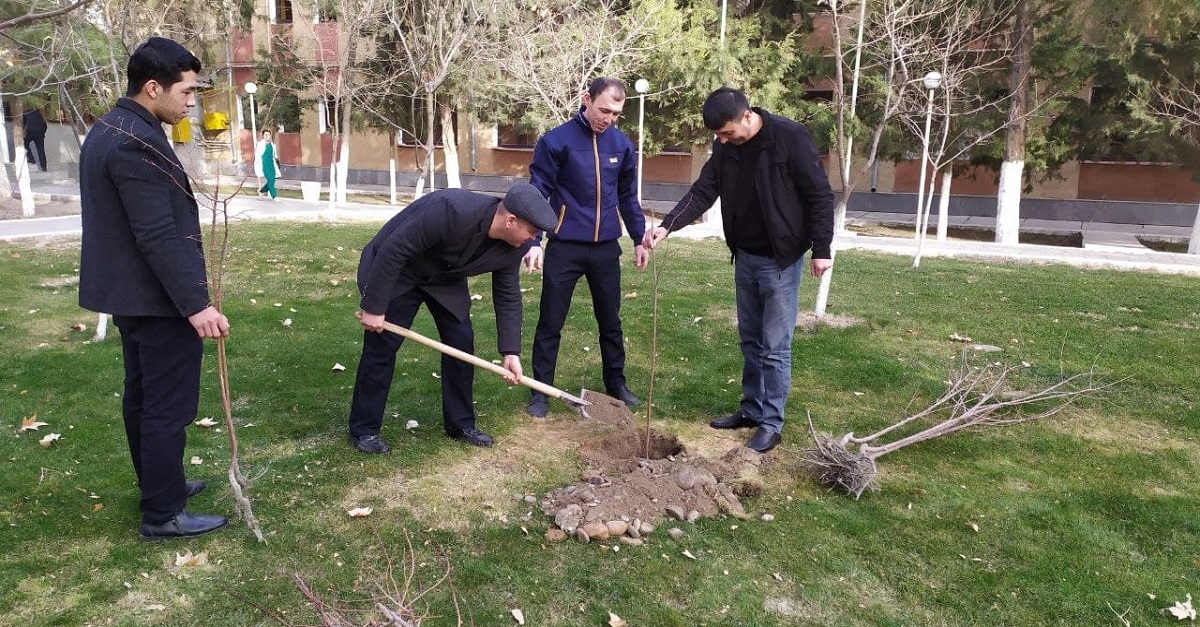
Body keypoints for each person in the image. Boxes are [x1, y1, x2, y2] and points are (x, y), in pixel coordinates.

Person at [79, 37, 230, 540]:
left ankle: (159, 486)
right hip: (156, 300)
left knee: (142, 397)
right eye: (186, 92)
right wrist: (197, 305)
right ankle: (163, 513)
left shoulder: (112, 128)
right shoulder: (133, 141)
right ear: (152, 87)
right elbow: (157, 233)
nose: (191, 101)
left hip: (133, 295)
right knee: (166, 406)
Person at [642, 87, 835, 453]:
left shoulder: (789, 137)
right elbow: (704, 190)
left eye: (727, 132)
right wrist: (667, 225)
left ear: (747, 115)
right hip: (744, 257)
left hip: (780, 258)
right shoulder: (725, 148)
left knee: (775, 347)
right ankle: (751, 408)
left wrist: (821, 249)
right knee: (750, 340)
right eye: (717, 135)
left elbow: (820, 195)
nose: (723, 140)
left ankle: (771, 423)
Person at [349, 183, 557, 453]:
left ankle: (460, 425)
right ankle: (364, 430)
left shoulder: (515, 245)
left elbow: (507, 295)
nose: (532, 239)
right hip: (399, 272)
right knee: (382, 347)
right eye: (531, 231)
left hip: (444, 279)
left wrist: (510, 352)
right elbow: (393, 250)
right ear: (510, 220)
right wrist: (375, 308)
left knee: (461, 341)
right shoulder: (449, 210)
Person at [523, 77, 648, 419]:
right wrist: (534, 241)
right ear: (586, 100)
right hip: (565, 247)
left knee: (610, 321)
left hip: (606, 248)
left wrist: (639, 238)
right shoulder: (556, 141)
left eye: (617, 113)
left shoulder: (622, 145)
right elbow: (538, 193)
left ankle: (616, 385)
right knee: (550, 321)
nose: (608, 118)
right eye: (604, 109)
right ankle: (540, 391)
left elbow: (627, 196)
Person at [254, 129, 282, 200]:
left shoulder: (272, 144)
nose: (267, 136)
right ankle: (274, 196)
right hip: (264, 163)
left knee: (272, 180)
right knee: (270, 179)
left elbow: (275, 155)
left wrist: (277, 162)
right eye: (265, 135)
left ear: (270, 136)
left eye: (268, 135)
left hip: (271, 164)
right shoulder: (260, 144)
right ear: (263, 136)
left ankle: (261, 190)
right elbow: (257, 155)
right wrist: (257, 164)